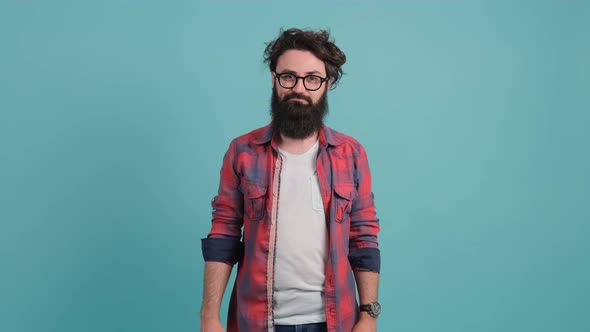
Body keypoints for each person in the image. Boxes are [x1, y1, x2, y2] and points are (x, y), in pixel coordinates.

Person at [200, 28, 381, 332]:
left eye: (312, 79)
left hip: (334, 321)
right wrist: (209, 316)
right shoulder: (242, 152)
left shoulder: (350, 154)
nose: (299, 88)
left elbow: (364, 238)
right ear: (274, 79)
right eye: (289, 77)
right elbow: (224, 234)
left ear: (328, 84)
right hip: (258, 321)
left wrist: (368, 315)